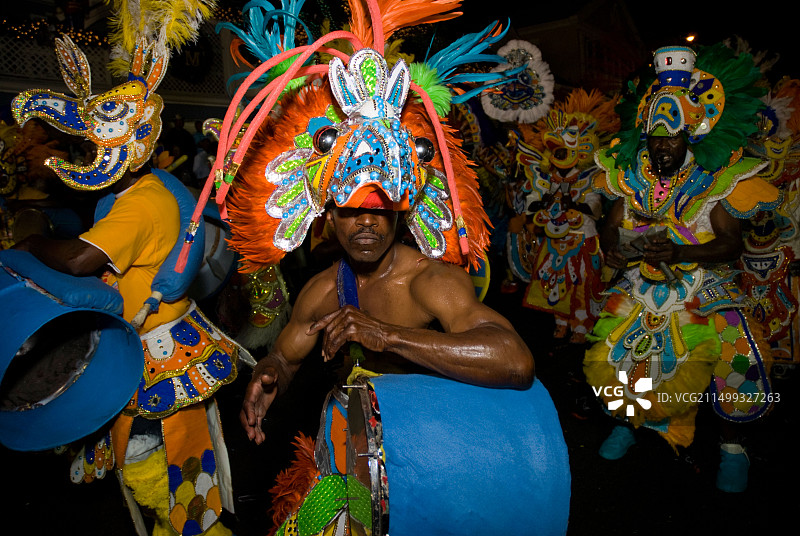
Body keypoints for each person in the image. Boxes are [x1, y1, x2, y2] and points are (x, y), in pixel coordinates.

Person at [10, 3, 244, 533]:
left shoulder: (140, 201)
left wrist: (33, 242)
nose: (85, 149)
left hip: (159, 345)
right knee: (157, 476)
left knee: (170, 480)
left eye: (92, 141)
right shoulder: (147, 187)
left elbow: (78, 258)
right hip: (152, 333)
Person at [584, 44, 782, 493]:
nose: (661, 148)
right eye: (654, 138)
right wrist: (613, 250)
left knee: (736, 362)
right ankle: (630, 423)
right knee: (620, 357)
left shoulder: (716, 177)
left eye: (671, 137)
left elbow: (732, 245)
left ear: (692, 134)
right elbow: (612, 227)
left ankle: (733, 447)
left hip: (703, 285)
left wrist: (679, 252)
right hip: (644, 286)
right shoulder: (631, 175)